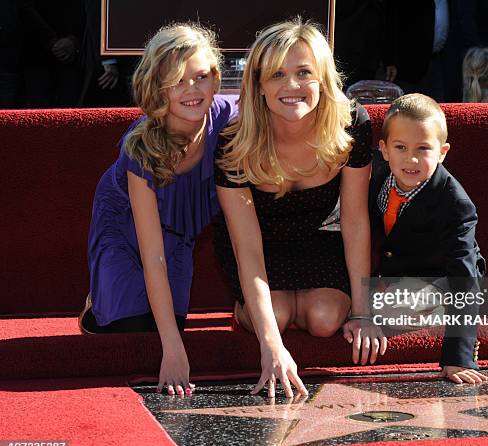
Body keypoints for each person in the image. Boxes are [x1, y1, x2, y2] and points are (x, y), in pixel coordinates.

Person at [214, 18, 386, 399]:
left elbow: (355, 220)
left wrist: (362, 312)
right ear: (258, 85)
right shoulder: (233, 145)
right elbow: (248, 249)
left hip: (319, 233)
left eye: (303, 72)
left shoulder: (352, 124)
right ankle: (267, 309)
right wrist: (270, 344)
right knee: (273, 317)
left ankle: (299, 305)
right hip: (258, 244)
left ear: (323, 78)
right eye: (276, 74)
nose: (291, 86)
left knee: (326, 319)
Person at [80, 23, 237, 396]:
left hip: (180, 231)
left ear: (216, 79)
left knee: (166, 323)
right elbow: (153, 258)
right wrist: (174, 351)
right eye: (177, 80)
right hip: (125, 221)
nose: (192, 90)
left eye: (200, 77)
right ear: (157, 85)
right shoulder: (140, 145)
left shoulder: (232, 119)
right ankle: (98, 302)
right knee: (133, 328)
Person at [370, 93, 487, 384]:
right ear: (384, 149)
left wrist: (458, 356)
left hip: (440, 279)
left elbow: (464, 273)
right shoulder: (374, 176)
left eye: (423, 148)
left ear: (442, 151)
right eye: (400, 147)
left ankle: (438, 308)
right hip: (392, 273)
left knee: (392, 308)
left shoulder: (454, 203)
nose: (411, 159)